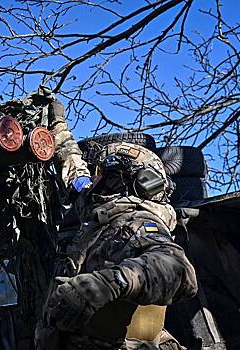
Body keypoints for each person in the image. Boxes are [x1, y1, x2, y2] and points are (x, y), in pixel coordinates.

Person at [39, 99, 198, 350]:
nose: (93, 178)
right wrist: (58, 125)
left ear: (118, 180)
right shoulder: (98, 210)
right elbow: (73, 169)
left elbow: (178, 269)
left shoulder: (138, 221)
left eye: (101, 173)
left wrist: (110, 283)